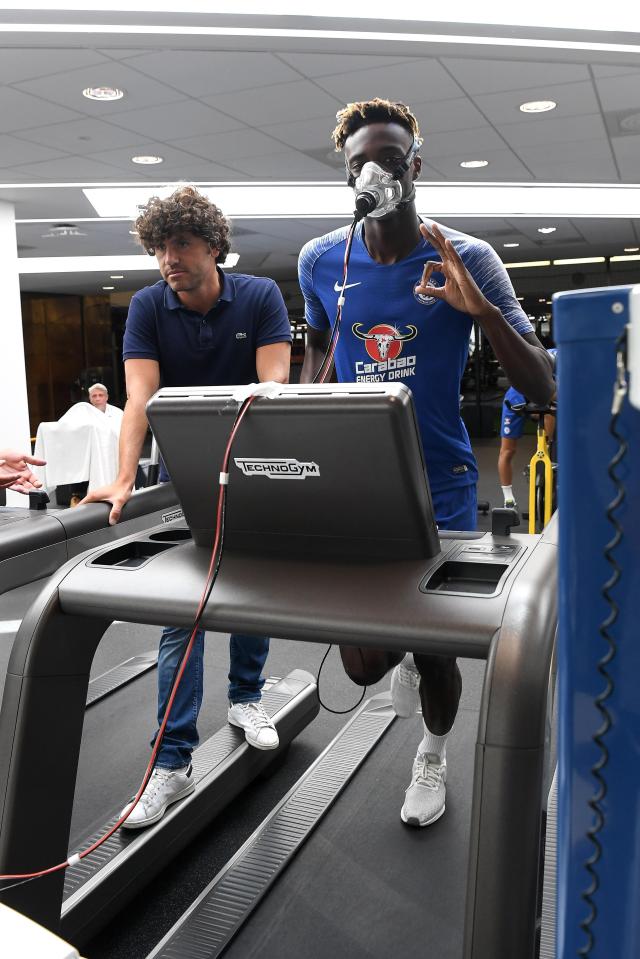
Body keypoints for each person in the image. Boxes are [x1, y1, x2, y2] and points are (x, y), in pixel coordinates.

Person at [298, 98, 555, 828]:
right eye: (359, 163)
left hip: (438, 482)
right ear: (348, 174)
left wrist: (483, 313)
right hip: (356, 480)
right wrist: (302, 410)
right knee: (364, 662)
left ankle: (433, 754)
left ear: (414, 166)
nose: (374, 170)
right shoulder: (322, 258)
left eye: (388, 158)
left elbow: (543, 385)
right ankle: (404, 653)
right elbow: (319, 347)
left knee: (435, 652)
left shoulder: (465, 256)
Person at [82, 185, 292, 828]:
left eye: (180, 243)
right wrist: (122, 478)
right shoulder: (148, 306)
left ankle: (246, 698)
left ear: (213, 246)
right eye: (158, 246)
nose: (168, 258)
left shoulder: (258, 296)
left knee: (248, 591)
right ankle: (171, 763)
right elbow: (139, 397)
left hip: (253, 462)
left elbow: (273, 383)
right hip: (187, 476)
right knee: (187, 612)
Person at [498, 349, 557, 509]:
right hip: (518, 399)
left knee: (552, 411)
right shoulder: (518, 387)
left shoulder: (559, 364)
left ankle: (546, 448)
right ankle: (508, 498)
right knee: (507, 451)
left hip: (548, 394)